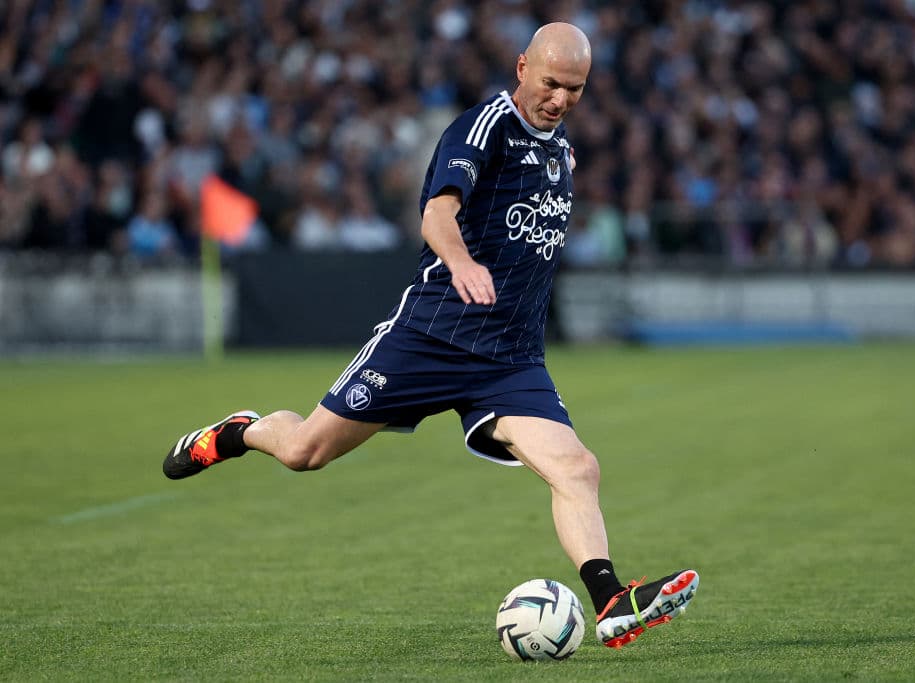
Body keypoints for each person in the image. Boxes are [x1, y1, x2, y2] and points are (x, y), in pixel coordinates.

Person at [163, 22, 698, 649]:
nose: (560, 99)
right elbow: (437, 212)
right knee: (306, 451)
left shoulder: (560, 149)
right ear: (522, 67)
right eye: (551, 83)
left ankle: (610, 601)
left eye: (575, 89)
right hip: (431, 336)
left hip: (510, 359)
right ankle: (238, 432)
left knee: (577, 467)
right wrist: (462, 263)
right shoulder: (482, 128)